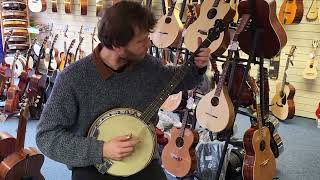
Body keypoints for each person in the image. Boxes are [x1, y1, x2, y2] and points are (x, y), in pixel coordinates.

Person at [36, 1, 211, 180]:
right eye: (141, 40)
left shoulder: (147, 66)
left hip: (142, 152)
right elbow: (46, 136)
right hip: (93, 162)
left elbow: (177, 81)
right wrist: (101, 149)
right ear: (118, 45)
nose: (148, 44)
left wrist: (197, 68)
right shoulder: (73, 78)